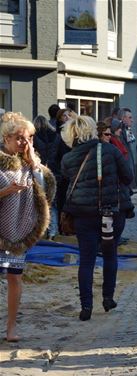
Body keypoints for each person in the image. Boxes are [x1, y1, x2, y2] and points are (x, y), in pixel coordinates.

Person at [60, 115, 133, 321]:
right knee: (110, 255)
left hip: (83, 215)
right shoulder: (110, 149)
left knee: (87, 260)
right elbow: (128, 177)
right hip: (112, 211)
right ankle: (108, 298)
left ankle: (86, 307)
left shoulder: (69, 158)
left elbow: (67, 179)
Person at [0, 112, 56, 341]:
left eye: (30, 138)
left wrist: (35, 166)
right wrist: (6, 191)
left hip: (18, 234)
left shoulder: (32, 165)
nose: (26, 143)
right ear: (7, 138)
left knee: (14, 277)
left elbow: (45, 196)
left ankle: (11, 327)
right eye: (21, 138)